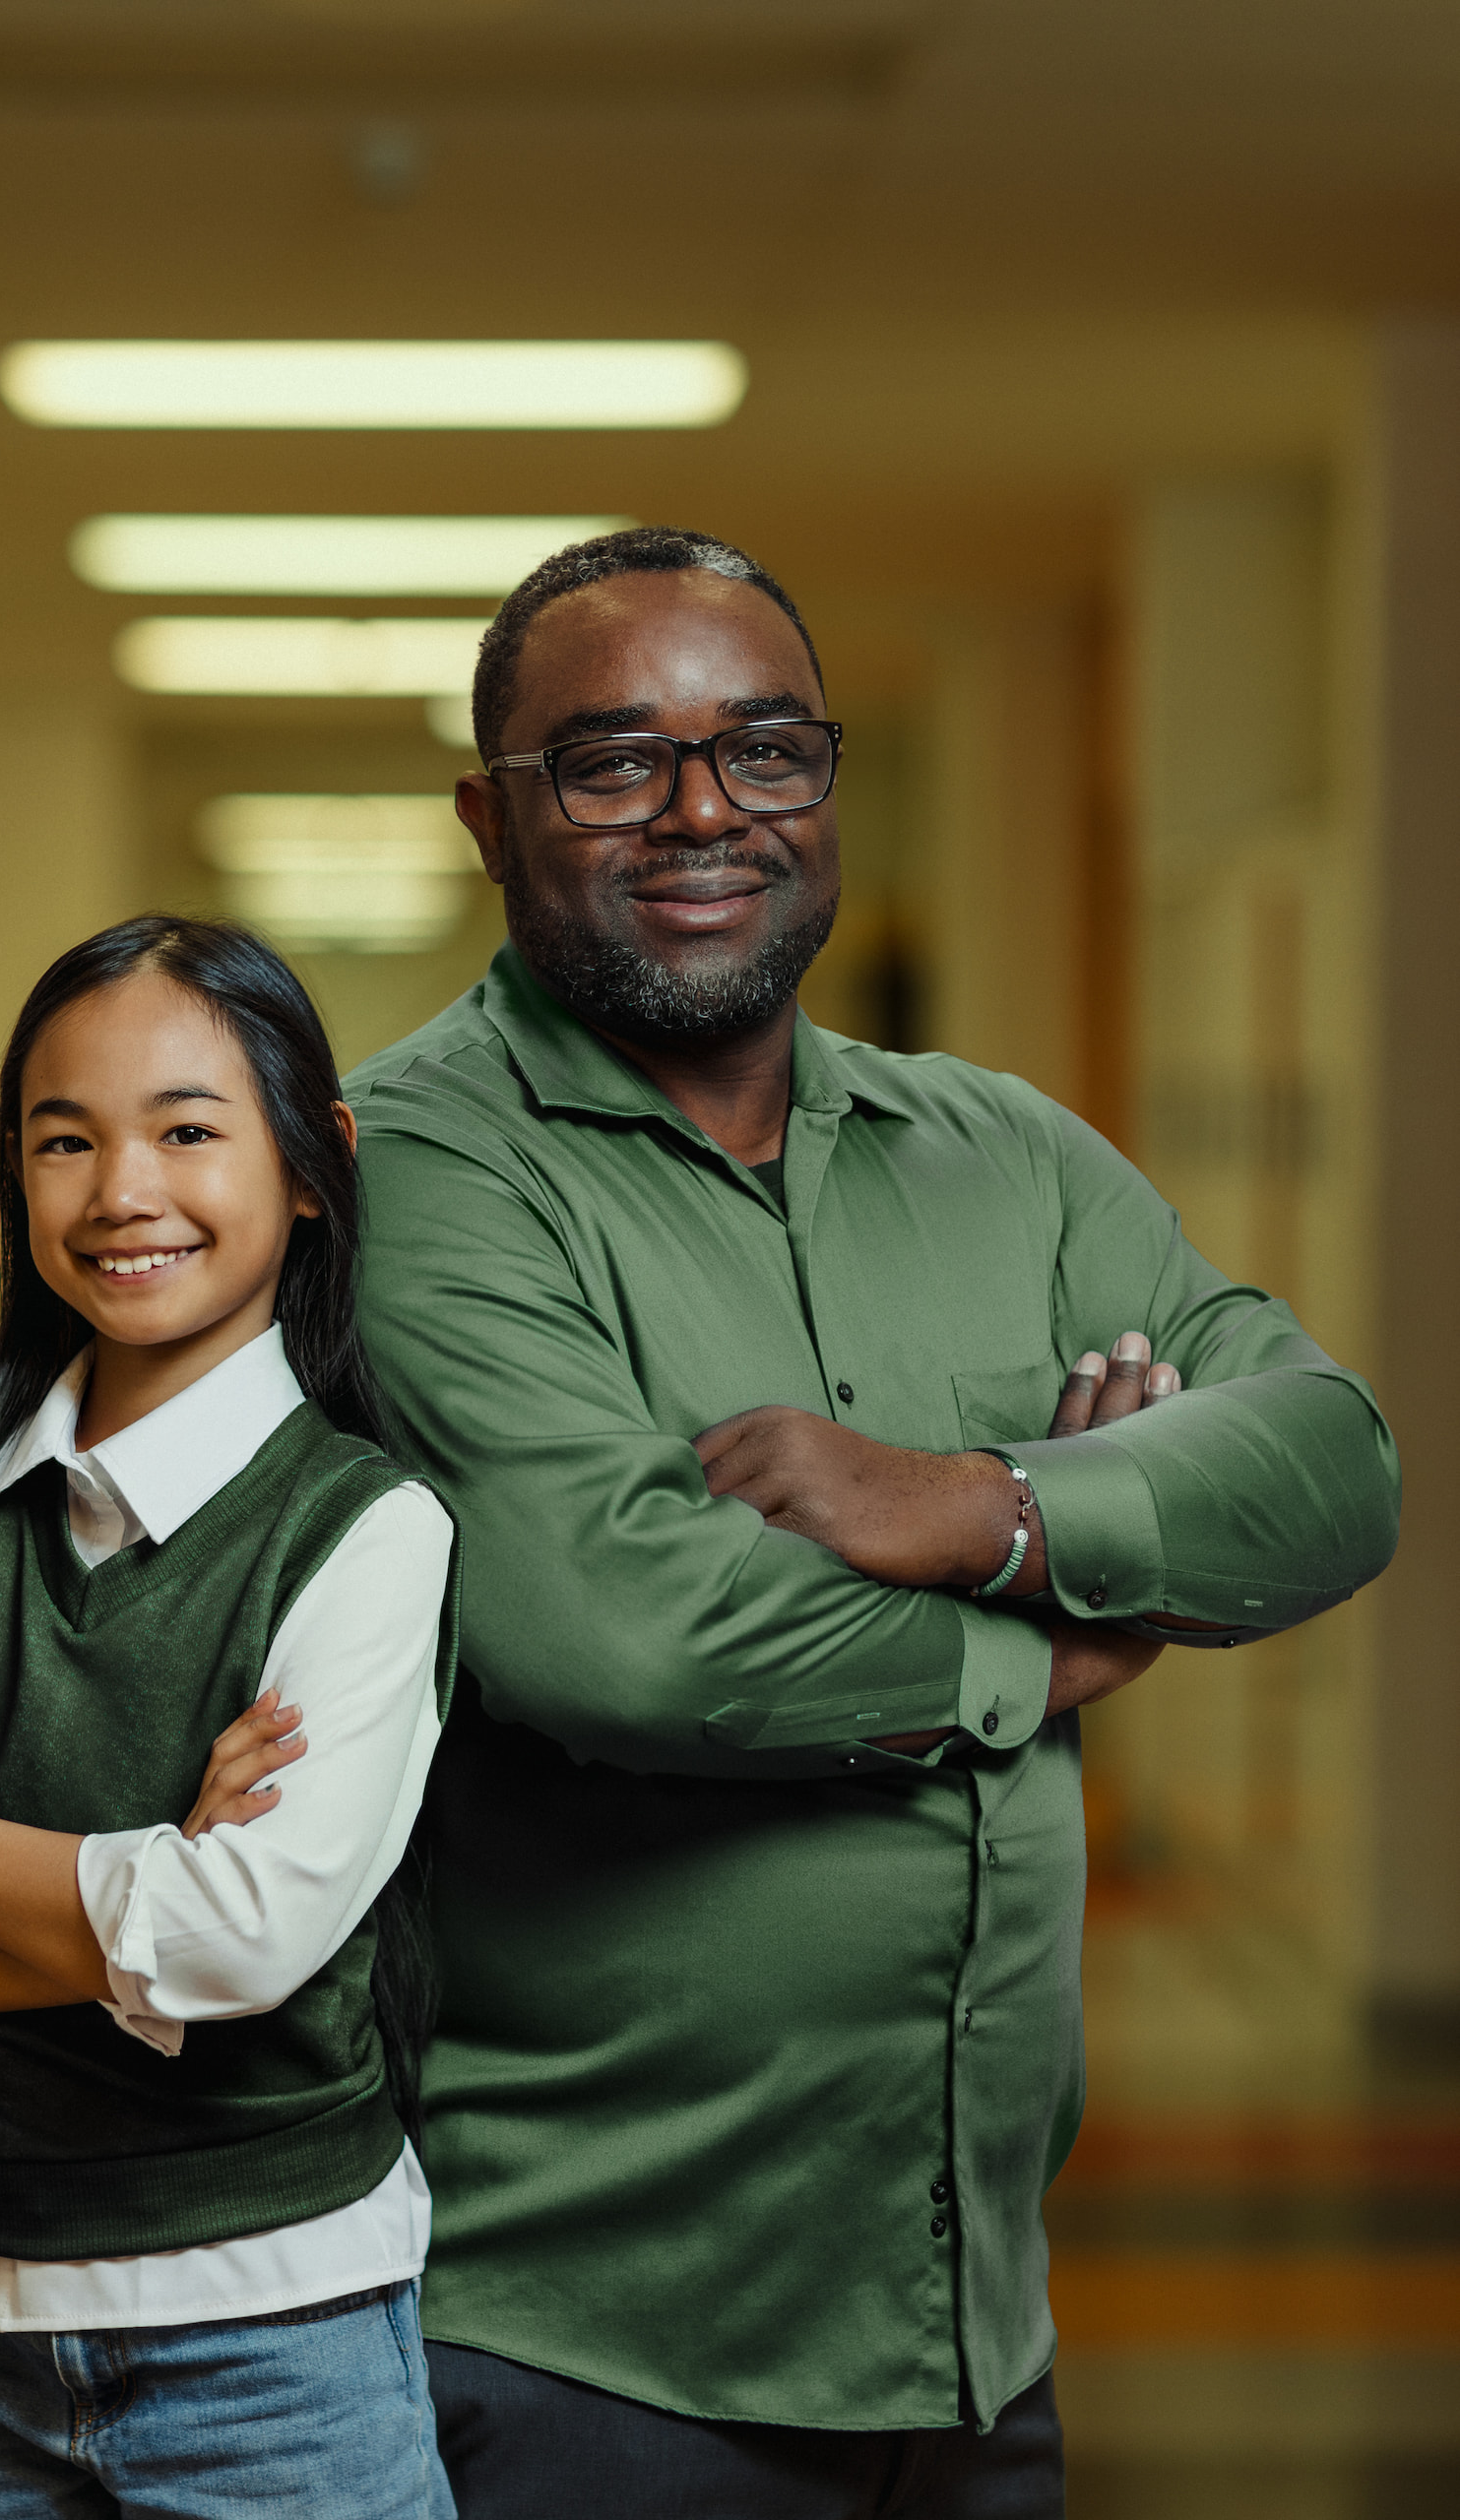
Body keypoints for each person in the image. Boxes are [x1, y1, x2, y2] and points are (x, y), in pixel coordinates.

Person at [343, 527, 1401, 2518]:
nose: (702, 810)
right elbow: (624, 1626)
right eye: (610, 759)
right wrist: (1067, 1627)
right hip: (584, 2353)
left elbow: (1337, 1461)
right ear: (489, 818)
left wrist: (977, 1503)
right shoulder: (418, 1168)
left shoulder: (1007, 1154)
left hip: (970, 2331)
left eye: (767, 748)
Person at [0, 915, 459, 2520]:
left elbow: (243, 1939)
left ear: (314, 1163)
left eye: (188, 1131)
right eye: (65, 1141)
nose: (122, 1192)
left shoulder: (367, 1530)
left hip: (273, 2334)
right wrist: (141, 1927)